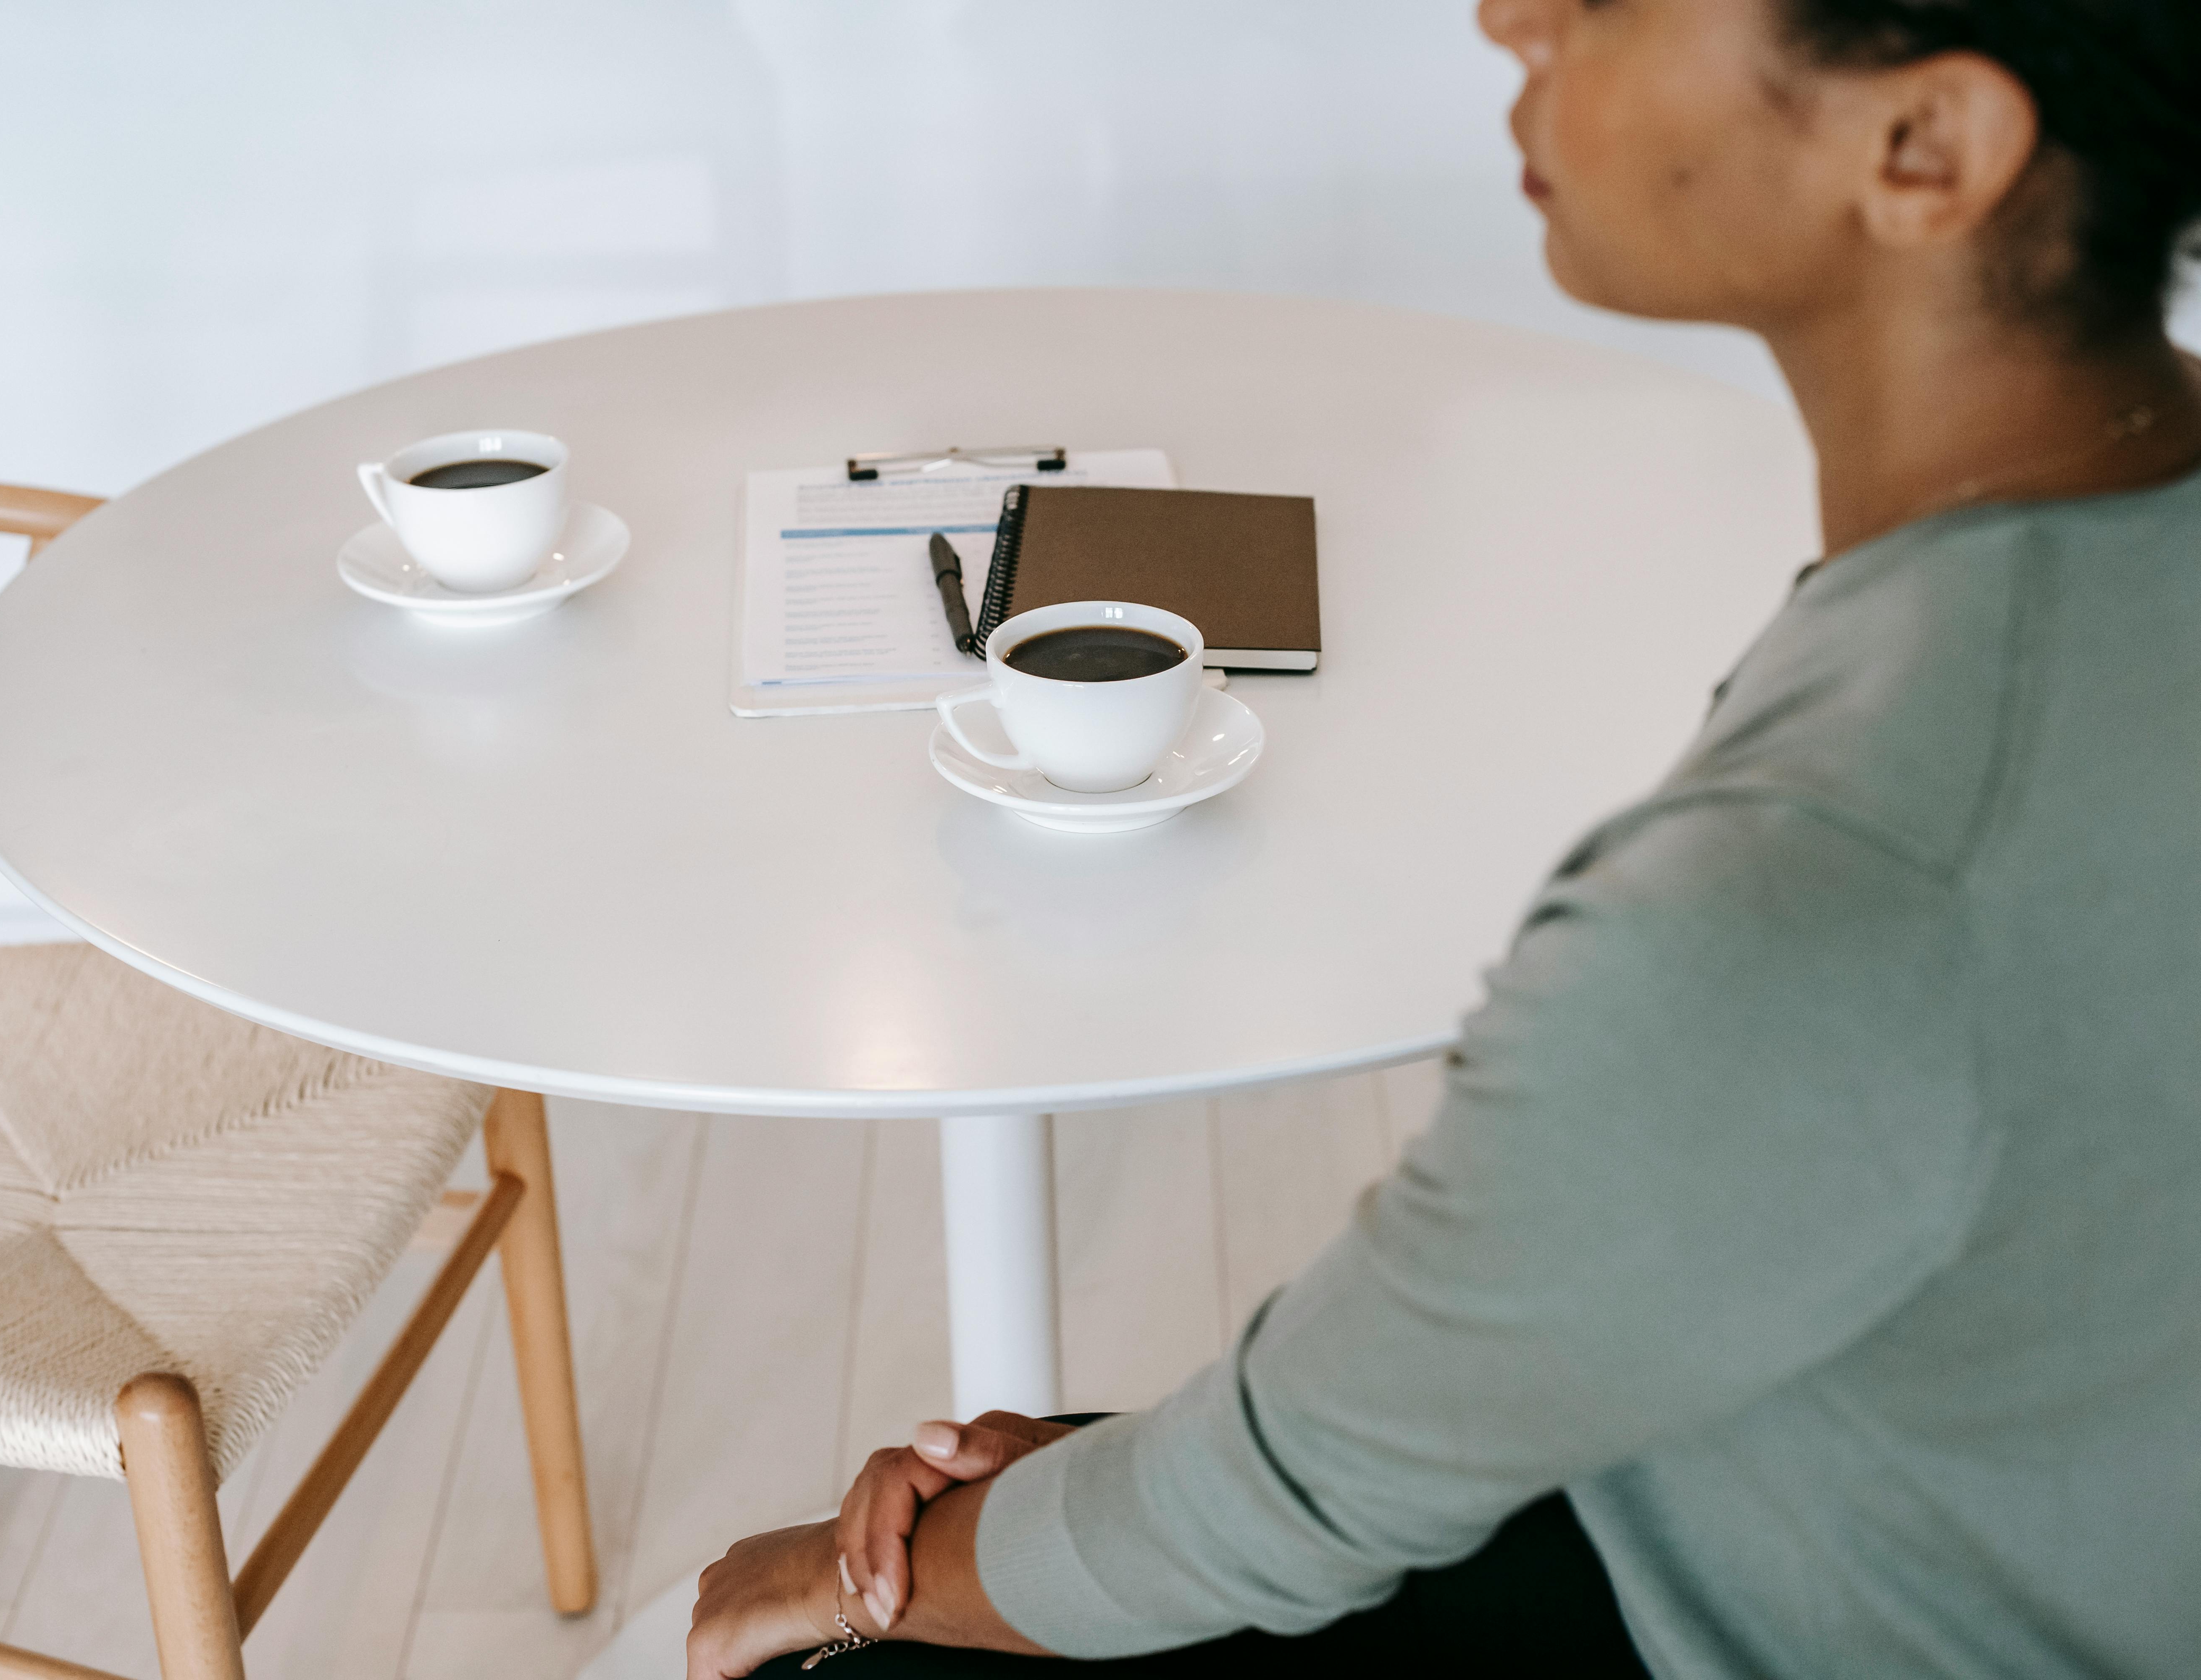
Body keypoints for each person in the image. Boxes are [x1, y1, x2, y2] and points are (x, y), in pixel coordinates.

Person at [689, 0, 2201, 1672]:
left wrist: (835, 1594)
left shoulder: (1827, 873)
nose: (1510, 17)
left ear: (1927, 152)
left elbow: (1288, 1492)